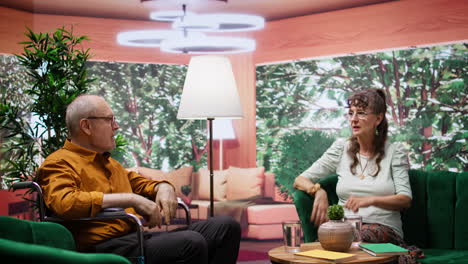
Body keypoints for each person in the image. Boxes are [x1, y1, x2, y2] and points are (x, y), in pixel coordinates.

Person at [37, 94, 241, 264]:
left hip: (136, 238)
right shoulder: (58, 162)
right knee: (190, 242)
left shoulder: (111, 164)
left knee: (225, 227)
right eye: (109, 120)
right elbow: (65, 202)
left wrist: (163, 187)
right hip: (102, 247)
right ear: (86, 126)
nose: (116, 126)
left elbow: (142, 184)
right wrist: (131, 199)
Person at [293, 88, 422, 263]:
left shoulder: (394, 151)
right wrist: (318, 191)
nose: (353, 119)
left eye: (361, 113)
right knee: (335, 242)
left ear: (378, 118)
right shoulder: (340, 148)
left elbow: (405, 199)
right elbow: (300, 180)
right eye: (351, 113)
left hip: (383, 230)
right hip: (344, 230)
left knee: (347, 240)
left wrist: (369, 200)